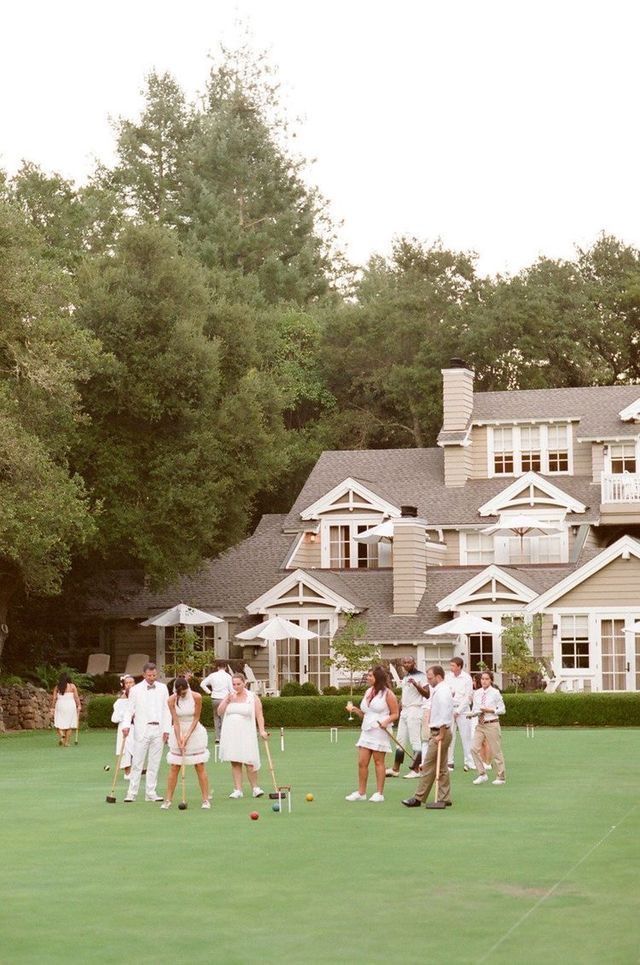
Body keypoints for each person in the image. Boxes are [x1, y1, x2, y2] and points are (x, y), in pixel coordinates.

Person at [402, 665, 454, 809]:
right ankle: (444, 797)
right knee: (442, 767)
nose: (428, 681)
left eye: (430, 678)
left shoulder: (443, 691)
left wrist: (441, 734)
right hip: (438, 731)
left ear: (438, 676)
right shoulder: (439, 690)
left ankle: (418, 798)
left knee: (429, 765)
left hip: (440, 732)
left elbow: (444, 714)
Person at [345, 666, 399, 803]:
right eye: (368, 675)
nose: (368, 678)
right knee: (362, 762)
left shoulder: (388, 694)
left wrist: (385, 721)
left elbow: (395, 714)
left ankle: (379, 793)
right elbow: (366, 714)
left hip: (380, 731)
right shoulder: (369, 691)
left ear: (378, 678)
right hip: (367, 730)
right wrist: (356, 710)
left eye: (370, 676)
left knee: (378, 762)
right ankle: (361, 792)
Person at [122, 662, 171, 803]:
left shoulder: (162, 688)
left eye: (154, 675)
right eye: (149, 675)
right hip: (142, 729)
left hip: (159, 729)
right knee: (137, 763)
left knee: (154, 763)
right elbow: (129, 710)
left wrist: (167, 729)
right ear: (144, 675)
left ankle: (151, 792)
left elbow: (166, 710)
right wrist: (126, 725)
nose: (151, 678)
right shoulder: (135, 690)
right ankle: (131, 793)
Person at [161, 677, 211, 809]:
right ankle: (168, 800)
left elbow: (196, 718)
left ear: (187, 688)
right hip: (179, 730)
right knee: (174, 766)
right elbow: (175, 722)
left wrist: (187, 736)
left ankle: (205, 799)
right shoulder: (171, 700)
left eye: (184, 693)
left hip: (194, 731)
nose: (182, 695)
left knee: (199, 765)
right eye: (180, 693)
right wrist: (179, 740)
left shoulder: (197, 697)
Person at [218, 672, 268, 798]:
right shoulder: (229, 696)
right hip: (231, 732)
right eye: (234, 684)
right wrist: (226, 700)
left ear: (244, 683)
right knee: (235, 761)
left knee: (249, 760)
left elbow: (259, 715)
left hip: (246, 732)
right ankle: (238, 790)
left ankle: (255, 788)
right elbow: (219, 712)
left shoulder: (252, 697)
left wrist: (262, 730)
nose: (236, 686)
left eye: (238, 684)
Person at [385, 656, 429, 779]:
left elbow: (427, 694)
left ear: (414, 663)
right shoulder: (405, 677)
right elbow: (404, 696)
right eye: (404, 662)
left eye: (409, 662)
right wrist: (396, 711)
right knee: (400, 740)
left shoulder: (421, 676)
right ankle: (395, 769)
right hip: (405, 710)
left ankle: (417, 770)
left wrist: (416, 685)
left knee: (415, 740)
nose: (406, 664)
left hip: (415, 710)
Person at [470, 671, 506, 785]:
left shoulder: (495, 693)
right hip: (480, 724)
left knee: (496, 751)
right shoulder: (477, 693)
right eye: (482, 679)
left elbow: (502, 709)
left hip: (492, 723)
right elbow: (476, 708)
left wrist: (490, 710)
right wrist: (472, 714)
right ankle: (482, 774)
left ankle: (501, 777)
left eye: (486, 679)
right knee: (473, 749)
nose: (484, 681)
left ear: (490, 680)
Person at [445, 657, 474, 772]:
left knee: (466, 736)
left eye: (453, 665)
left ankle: (469, 761)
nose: (451, 667)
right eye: (450, 665)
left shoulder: (467, 678)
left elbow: (468, 696)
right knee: (450, 736)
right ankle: (449, 762)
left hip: (463, 711)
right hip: (450, 710)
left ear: (459, 667)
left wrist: (459, 710)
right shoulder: (447, 677)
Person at [200, 660, 233, 742]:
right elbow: (231, 689)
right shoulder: (228, 676)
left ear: (217, 667)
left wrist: (209, 692)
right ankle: (224, 736)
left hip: (214, 698)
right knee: (224, 718)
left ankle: (217, 737)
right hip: (224, 699)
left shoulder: (212, 675)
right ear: (225, 668)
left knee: (216, 718)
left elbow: (202, 684)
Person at [110, 674, 135, 778]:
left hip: (137, 727)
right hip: (124, 727)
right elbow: (114, 718)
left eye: (131, 682)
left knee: (136, 748)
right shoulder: (120, 701)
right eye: (127, 683)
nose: (129, 685)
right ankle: (127, 772)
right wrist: (126, 716)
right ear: (124, 685)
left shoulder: (140, 698)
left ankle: (136, 769)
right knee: (125, 749)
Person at [51, 673, 81, 746]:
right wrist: (79, 705)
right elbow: (76, 697)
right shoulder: (72, 686)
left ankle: (62, 735)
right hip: (70, 705)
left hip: (60, 705)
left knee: (58, 722)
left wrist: (52, 707)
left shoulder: (57, 687)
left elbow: (54, 698)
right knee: (69, 724)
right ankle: (66, 742)